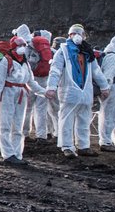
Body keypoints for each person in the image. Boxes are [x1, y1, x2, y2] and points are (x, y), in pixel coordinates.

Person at [46, 24, 111, 158]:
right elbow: (55, 71)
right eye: (73, 33)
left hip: (85, 92)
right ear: (69, 35)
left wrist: (104, 86)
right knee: (66, 119)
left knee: (84, 119)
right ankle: (67, 146)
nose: (77, 36)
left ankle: (83, 146)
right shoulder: (63, 51)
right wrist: (51, 87)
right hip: (69, 91)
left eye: (80, 33)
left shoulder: (87, 51)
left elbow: (96, 71)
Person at [0, 29, 45, 166]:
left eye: (24, 46)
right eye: (20, 46)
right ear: (13, 48)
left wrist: (44, 92)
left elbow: (31, 82)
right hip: (7, 93)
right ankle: (8, 154)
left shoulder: (25, 63)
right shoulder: (6, 61)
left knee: (18, 126)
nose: (22, 49)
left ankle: (17, 154)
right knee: (4, 124)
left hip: (21, 94)